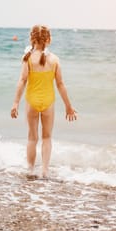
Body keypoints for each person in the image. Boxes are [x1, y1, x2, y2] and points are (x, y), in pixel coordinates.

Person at [11, 25, 77, 178]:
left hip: (31, 101)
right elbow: (60, 84)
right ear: (48, 40)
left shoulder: (27, 58)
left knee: (32, 137)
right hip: (48, 102)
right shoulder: (54, 60)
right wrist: (69, 106)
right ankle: (45, 171)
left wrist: (15, 103)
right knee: (47, 137)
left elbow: (22, 80)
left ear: (31, 39)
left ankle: (30, 169)